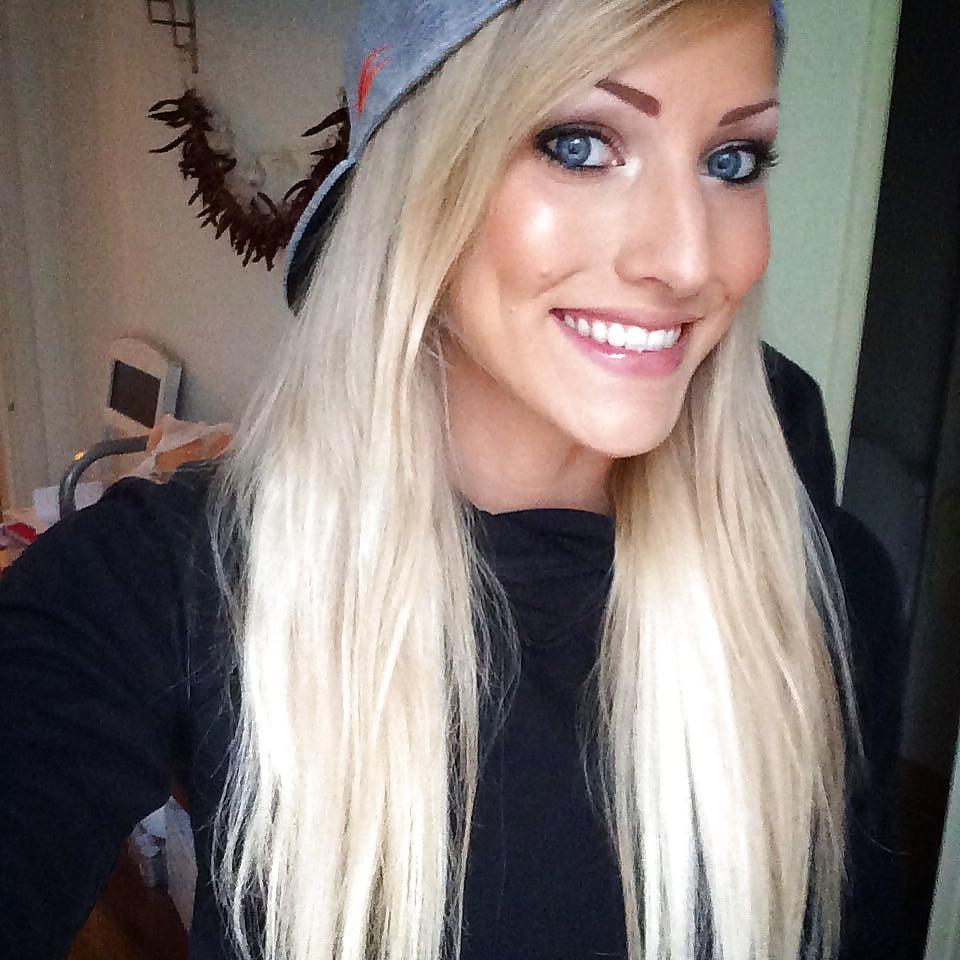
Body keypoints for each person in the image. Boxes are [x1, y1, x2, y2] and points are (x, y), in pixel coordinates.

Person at [0, 0, 890, 958]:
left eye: (732, 160)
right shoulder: (166, 585)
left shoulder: (820, 596)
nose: (685, 261)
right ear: (420, 181)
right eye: (581, 145)